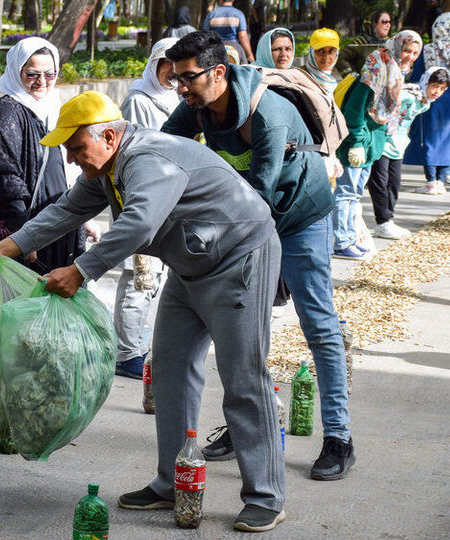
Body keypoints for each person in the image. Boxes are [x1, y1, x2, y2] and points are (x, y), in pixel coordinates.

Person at [0, 90, 285, 532]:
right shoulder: (106, 167)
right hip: (190, 266)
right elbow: (63, 211)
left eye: (77, 149)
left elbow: (139, 222)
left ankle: (265, 496)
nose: (74, 159)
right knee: (171, 373)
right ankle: (171, 482)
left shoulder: (148, 160)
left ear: (108, 135)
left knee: (243, 378)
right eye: (68, 152)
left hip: (239, 261)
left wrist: (81, 270)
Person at [162, 31, 355, 481]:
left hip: (299, 219)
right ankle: (246, 424)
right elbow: (163, 152)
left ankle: (339, 437)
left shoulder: (268, 112)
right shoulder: (194, 104)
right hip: (247, 215)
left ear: (218, 73)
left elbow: (259, 201)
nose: (182, 89)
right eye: (176, 81)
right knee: (243, 328)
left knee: (319, 325)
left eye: (188, 79)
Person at [0, 37, 85, 273]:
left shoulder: (53, 107)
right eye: (33, 74)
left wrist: (82, 216)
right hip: (25, 228)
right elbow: (4, 177)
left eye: (50, 74)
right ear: (18, 71)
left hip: (55, 222)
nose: (42, 82)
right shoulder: (5, 113)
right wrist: (24, 236)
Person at [114, 37, 177, 378]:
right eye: (166, 64)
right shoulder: (139, 99)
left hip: (169, 199)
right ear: (155, 65)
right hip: (144, 196)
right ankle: (127, 354)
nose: (172, 73)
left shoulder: (177, 98)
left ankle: (139, 345)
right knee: (139, 278)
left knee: (154, 280)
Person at [334, 30, 423, 259]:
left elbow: (384, 115)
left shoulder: (395, 71)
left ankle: (350, 237)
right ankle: (340, 240)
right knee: (346, 193)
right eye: (406, 50)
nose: (410, 57)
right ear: (397, 46)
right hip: (358, 143)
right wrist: (356, 142)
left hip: (372, 145)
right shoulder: (376, 68)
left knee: (355, 195)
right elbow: (355, 109)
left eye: (415, 53)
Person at [370, 67, 450, 238]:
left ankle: (387, 220)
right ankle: (382, 221)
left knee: (394, 184)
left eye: (443, 89)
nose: (438, 92)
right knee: (380, 184)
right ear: (425, 82)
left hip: (398, 147)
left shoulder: (424, 103)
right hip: (382, 143)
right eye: (435, 85)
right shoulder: (408, 95)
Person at [404, 12, 450, 195]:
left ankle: (431, 181)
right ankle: (442, 180)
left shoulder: (429, 49)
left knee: (428, 138)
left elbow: (417, 75)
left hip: (431, 97)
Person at [337, 11, 393, 75]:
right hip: (364, 84)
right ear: (373, 24)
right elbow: (339, 57)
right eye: (384, 21)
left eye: (389, 22)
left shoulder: (391, 44)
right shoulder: (360, 43)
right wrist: (351, 76)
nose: (388, 25)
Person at [301, 28, 342, 94]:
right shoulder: (300, 78)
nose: (326, 57)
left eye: (331, 51)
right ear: (312, 52)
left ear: (337, 53)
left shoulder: (333, 83)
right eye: (320, 51)